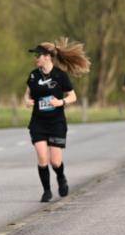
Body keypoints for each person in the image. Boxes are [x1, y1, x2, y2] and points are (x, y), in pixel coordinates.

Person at [23, 40, 90, 202]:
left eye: (38, 55)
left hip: (56, 123)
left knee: (55, 161)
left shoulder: (60, 75)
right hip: (38, 122)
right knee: (42, 158)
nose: (36, 58)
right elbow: (27, 94)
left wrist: (61, 102)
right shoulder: (33, 75)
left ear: (47, 57)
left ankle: (61, 177)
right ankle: (46, 191)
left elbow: (73, 96)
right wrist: (26, 101)